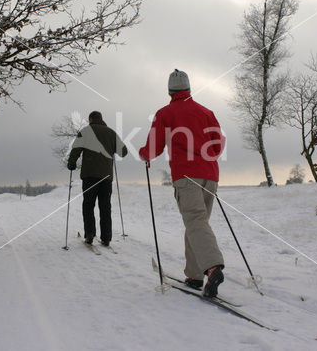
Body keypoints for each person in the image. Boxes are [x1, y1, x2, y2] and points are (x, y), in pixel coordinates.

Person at [139, 69, 226, 298]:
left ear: (170, 91)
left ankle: (212, 266)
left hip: (186, 177)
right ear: (189, 88)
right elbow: (217, 146)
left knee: (195, 221)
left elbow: (154, 147)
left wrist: (144, 154)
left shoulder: (165, 113)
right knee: (197, 223)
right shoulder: (206, 112)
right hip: (210, 175)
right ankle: (195, 275)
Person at [68, 111, 128, 246]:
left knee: (88, 205)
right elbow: (123, 152)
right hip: (106, 178)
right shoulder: (111, 133)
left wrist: (72, 162)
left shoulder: (86, 131)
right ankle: (106, 237)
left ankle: (90, 233)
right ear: (102, 119)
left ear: (90, 119)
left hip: (89, 176)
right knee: (105, 207)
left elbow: (76, 149)